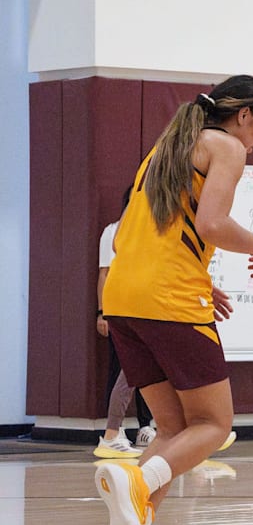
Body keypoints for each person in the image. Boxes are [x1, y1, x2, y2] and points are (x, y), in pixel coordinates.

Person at [95, 75, 253, 525]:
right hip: (169, 297)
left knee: (173, 428)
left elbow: (158, 228)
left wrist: (198, 279)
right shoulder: (227, 147)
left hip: (126, 296)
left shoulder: (167, 146)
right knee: (214, 426)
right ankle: (135, 481)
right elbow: (212, 224)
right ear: (244, 116)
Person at [94, 185, 152, 459]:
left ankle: (147, 428)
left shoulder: (144, 231)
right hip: (128, 308)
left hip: (141, 307)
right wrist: (102, 312)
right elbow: (107, 274)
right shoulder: (121, 232)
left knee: (142, 371)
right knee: (128, 371)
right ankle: (112, 433)